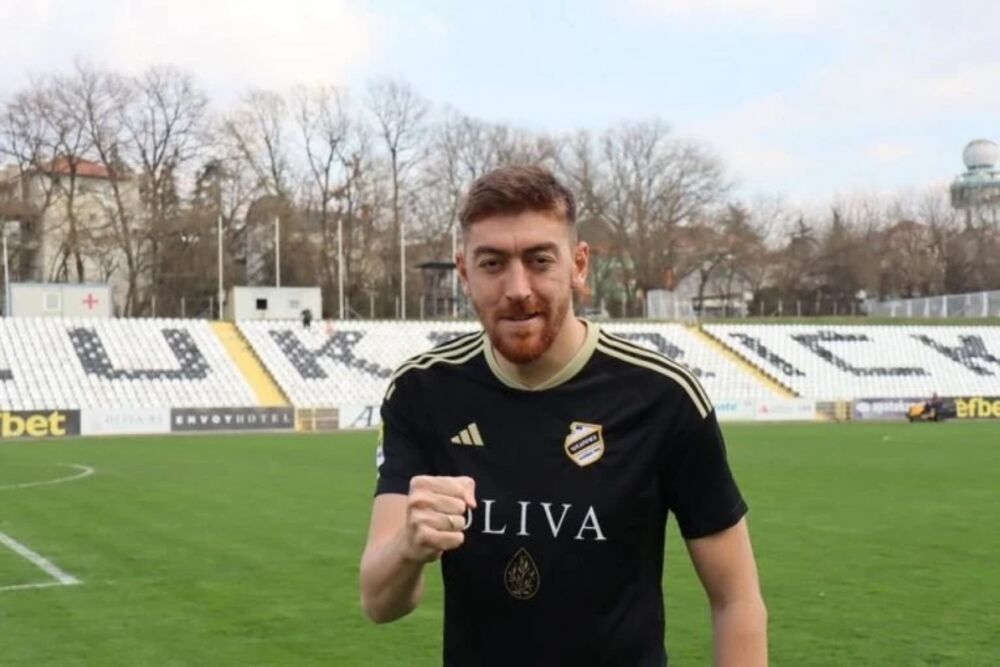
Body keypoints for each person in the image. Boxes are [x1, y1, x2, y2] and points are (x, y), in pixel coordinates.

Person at [359, 166, 767, 666]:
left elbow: (736, 599)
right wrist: (408, 545)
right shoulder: (422, 391)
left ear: (578, 265)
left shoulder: (663, 397)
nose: (518, 288)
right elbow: (379, 603)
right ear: (464, 273)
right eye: (492, 263)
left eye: (539, 260)